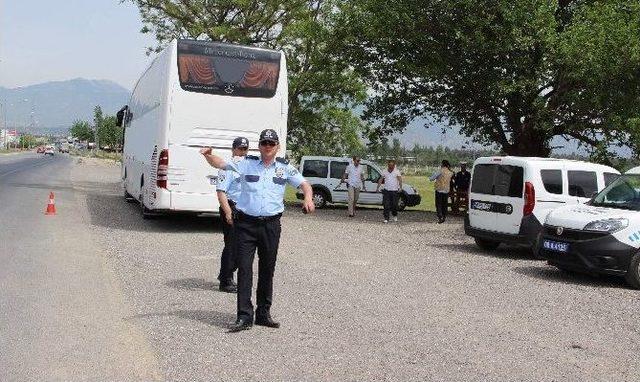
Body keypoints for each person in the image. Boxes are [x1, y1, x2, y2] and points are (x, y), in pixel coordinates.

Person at [199, 129, 315, 332]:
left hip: (271, 225)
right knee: (244, 269)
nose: (268, 147)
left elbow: (305, 184)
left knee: (267, 269)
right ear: (259, 146)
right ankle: (244, 316)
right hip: (246, 225)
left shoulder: (285, 168)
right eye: (264, 143)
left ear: (277, 147)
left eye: (271, 144)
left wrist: (308, 198)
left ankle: (263, 313)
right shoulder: (246, 163)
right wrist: (208, 154)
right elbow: (221, 164)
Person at [215, 136, 249, 293]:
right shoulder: (227, 167)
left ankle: (226, 274)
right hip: (230, 207)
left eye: (245, 149)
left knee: (239, 245)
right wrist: (228, 212)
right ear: (233, 149)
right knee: (232, 245)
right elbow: (221, 191)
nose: (242, 152)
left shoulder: (246, 167)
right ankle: (226, 280)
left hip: (243, 209)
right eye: (239, 148)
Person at [375, 159, 402, 223]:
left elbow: (400, 180)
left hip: (394, 191)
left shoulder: (397, 171)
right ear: (388, 165)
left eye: (392, 165)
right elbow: (381, 179)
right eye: (390, 165)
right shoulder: (384, 171)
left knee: (394, 205)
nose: (391, 166)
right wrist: (377, 188)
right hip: (386, 191)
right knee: (386, 205)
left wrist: (400, 188)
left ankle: (395, 215)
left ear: (394, 165)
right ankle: (386, 218)